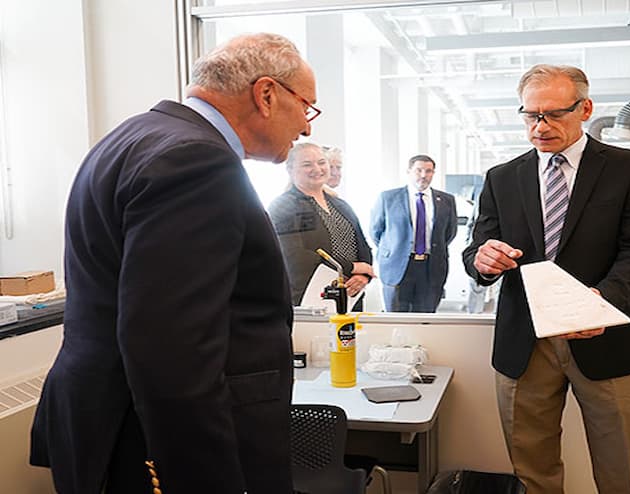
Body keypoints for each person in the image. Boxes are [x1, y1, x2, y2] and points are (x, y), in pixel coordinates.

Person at [29, 33, 318, 494]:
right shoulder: (197, 161)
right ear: (266, 94)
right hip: (151, 442)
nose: (306, 127)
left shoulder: (134, 136)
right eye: (307, 106)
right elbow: (170, 349)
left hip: (99, 417)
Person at [463, 64, 630, 493]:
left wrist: (600, 301)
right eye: (531, 115)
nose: (540, 127)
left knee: (625, 470)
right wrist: (483, 259)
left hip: (605, 334)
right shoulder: (502, 178)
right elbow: (477, 247)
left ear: (585, 108)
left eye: (554, 114)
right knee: (531, 470)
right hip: (525, 343)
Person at [268, 142, 374, 308]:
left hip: (351, 297)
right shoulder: (283, 206)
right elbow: (294, 256)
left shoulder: (341, 205)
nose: (317, 169)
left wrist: (363, 277)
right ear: (290, 170)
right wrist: (350, 267)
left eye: (322, 162)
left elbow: (363, 246)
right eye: (307, 164)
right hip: (310, 298)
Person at [371, 154, 458, 312]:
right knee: (396, 318)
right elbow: (376, 231)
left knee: (426, 318)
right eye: (419, 170)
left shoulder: (447, 200)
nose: (424, 175)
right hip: (397, 267)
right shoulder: (388, 198)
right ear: (409, 171)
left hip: (430, 267)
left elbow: (449, 233)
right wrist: (396, 249)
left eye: (429, 171)